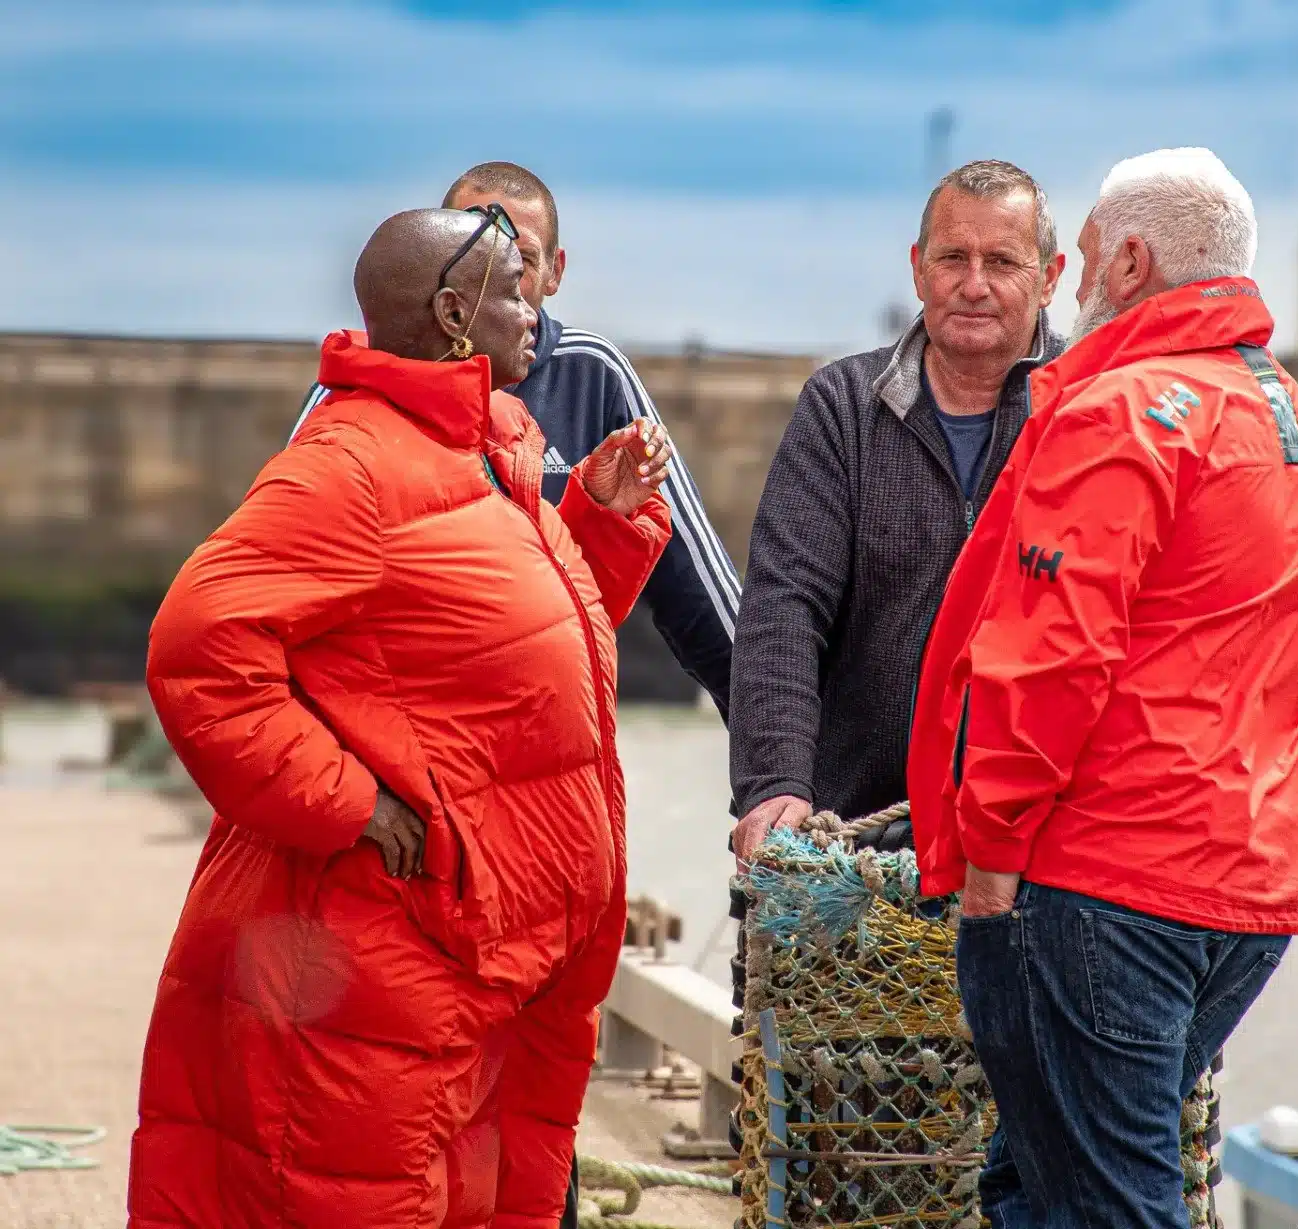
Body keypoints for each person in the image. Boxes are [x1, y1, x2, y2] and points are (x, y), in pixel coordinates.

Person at [129, 206, 675, 1229]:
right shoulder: (351, 465)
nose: (536, 308)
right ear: (455, 312)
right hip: (374, 976)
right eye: (516, 288)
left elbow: (490, 670)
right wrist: (350, 801)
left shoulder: (484, 449)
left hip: (464, 969)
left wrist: (591, 522)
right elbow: (198, 647)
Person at [904, 148, 1298, 1228]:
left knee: (1106, 1201)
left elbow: (1052, 652)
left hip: (1105, 876)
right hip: (1248, 876)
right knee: (1036, 1181)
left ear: (1133, 260)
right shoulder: (1287, 418)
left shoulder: (1124, 410)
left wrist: (993, 847)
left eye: (1089, 254)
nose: (1081, 277)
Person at [290, 161, 738, 718]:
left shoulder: (588, 376)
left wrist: (782, 761)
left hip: (540, 752)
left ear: (555, 273)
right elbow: (256, 626)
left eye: (518, 260)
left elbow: (673, 598)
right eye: (470, 244)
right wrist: (352, 794)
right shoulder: (352, 400)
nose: (490, 272)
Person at [727, 159, 1065, 859]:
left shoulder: (1087, 412)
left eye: (1002, 260)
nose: (974, 284)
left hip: (1033, 850)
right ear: (918, 269)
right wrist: (774, 782)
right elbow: (783, 608)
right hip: (849, 842)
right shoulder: (842, 408)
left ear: (1051, 277)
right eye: (952, 258)